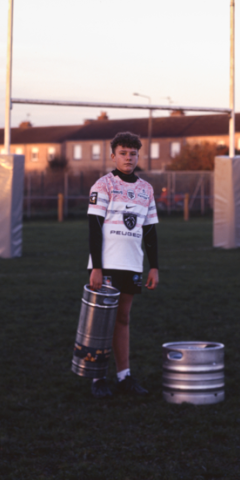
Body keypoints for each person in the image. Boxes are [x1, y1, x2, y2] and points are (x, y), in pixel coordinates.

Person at [87, 131, 159, 398]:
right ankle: (97, 378)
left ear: (138, 155)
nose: (129, 158)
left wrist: (154, 266)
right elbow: (94, 228)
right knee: (100, 323)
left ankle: (123, 376)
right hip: (105, 265)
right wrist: (96, 266)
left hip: (132, 264)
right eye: (123, 153)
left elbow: (150, 231)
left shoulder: (146, 189)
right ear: (113, 155)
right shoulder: (103, 185)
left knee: (123, 319)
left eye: (133, 153)